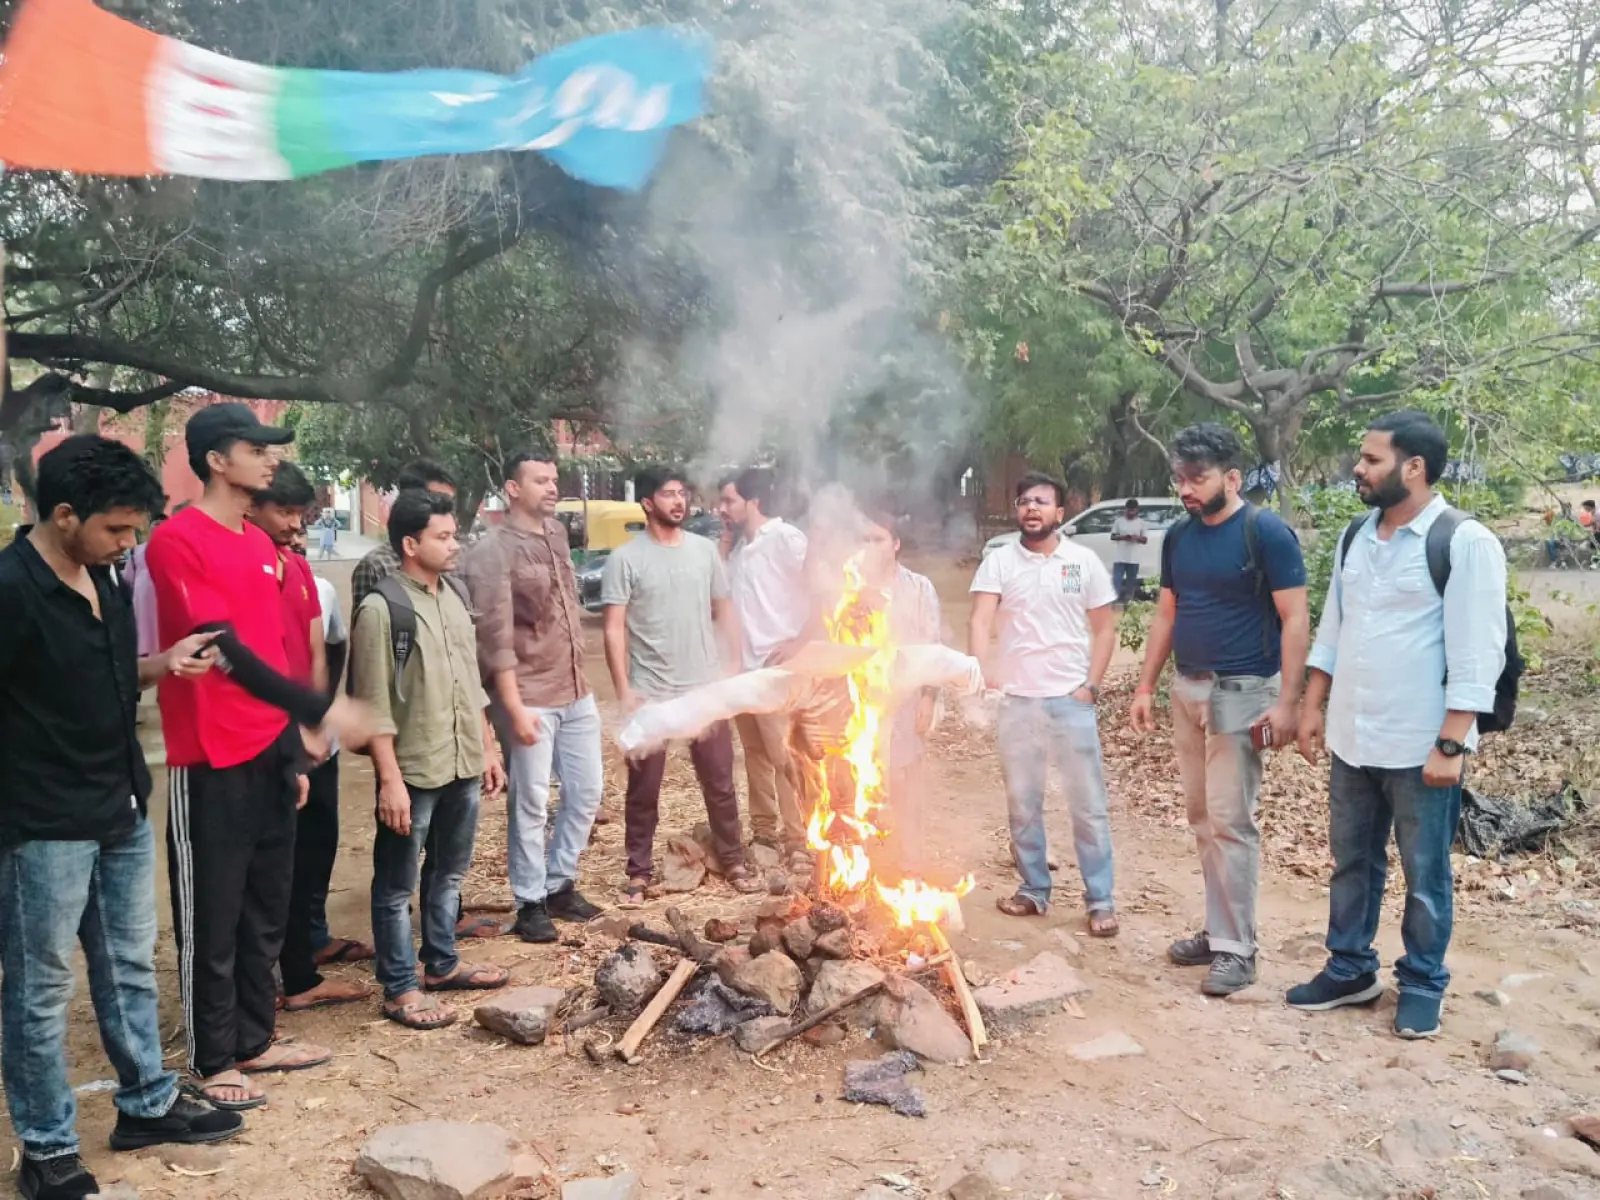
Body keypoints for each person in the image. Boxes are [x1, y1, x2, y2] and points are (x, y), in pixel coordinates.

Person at [0, 436, 242, 1200]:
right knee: (41, 989)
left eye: (135, 529)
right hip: (41, 823)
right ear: (64, 514)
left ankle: (146, 1103)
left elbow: (105, 675)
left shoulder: (105, 577)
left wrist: (162, 662)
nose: (129, 544)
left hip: (120, 804)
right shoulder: (9, 590)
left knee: (130, 965)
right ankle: (45, 1149)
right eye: (117, 529)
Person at [146, 403, 370, 1111]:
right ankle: (213, 1057)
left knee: (265, 904)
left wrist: (292, 753)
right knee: (212, 911)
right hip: (208, 755)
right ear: (216, 459)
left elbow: (276, 651)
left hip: (267, 751)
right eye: (257, 447)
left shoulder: (261, 547)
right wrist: (321, 709)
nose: (272, 459)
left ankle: (256, 1037)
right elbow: (222, 650)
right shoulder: (177, 541)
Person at [1291, 411, 1507, 1039]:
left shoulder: (1464, 542)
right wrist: (1312, 706)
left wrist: (1450, 740)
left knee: (1425, 872)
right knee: (1351, 861)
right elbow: (1335, 626)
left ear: (1414, 468)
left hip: (1422, 744)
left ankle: (1421, 983)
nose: (1358, 468)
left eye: (1372, 459)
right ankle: (1351, 968)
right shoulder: (1357, 534)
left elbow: (1478, 651)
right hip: (1354, 737)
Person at [1128, 423, 1309, 996]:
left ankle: (1238, 950)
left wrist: (1288, 703)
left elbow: (1295, 619)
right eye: (1179, 478)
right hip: (1188, 689)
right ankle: (1218, 930)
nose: (1186, 488)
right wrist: (1144, 686)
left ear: (1232, 477)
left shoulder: (1266, 533)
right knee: (1203, 818)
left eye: (1197, 477)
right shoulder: (1178, 537)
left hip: (1244, 693)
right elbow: (1166, 615)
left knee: (1233, 822)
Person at [352, 490, 510, 1029]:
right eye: (443, 537)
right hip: (415, 768)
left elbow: (474, 683)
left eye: (454, 535)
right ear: (410, 544)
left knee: (449, 873)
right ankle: (399, 987)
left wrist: (488, 748)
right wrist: (388, 781)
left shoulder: (454, 597)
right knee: (396, 886)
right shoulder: (382, 610)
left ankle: (441, 964)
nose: (454, 545)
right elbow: (372, 705)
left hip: (463, 760)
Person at [461, 449, 605, 944]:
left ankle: (561, 881)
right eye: (540, 480)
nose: (551, 486)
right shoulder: (491, 551)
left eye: (554, 478)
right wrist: (514, 707)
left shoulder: (558, 534)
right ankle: (529, 900)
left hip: (574, 687)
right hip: (528, 692)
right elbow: (495, 638)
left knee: (586, 791)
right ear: (512, 488)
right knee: (532, 801)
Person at [602, 466, 761, 906]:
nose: (679, 501)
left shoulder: (704, 552)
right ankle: (638, 872)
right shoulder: (625, 559)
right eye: (669, 494)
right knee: (644, 790)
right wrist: (624, 689)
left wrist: (731, 663)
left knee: (721, 782)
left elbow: (724, 608)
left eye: (682, 493)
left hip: (703, 689)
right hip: (651, 691)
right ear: (648, 503)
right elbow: (614, 628)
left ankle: (733, 861)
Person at [247, 462, 374, 1013]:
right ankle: (263, 987)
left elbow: (321, 651)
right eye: (285, 514)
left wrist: (320, 720)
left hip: (311, 738)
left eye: (303, 517)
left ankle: (301, 971)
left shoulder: (303, 575)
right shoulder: (244, 575)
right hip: (265, 744)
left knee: (314, 853)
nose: (296, 528)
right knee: (271, 871)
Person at [969, 472, 1120, 931]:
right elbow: (980, 620)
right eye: (1023, 501)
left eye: (1041, 501)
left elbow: (1105, 628)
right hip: (1017, 703)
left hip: (1070, 702)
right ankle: (1034, 889)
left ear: (1060, 512)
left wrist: (1090, 686)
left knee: (1087, 804)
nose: (1030, 508)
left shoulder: (1083, 561)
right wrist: (984, 671)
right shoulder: (999, 562)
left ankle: (1100, 901)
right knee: (1023, 803)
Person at [717, 468, 811, 866]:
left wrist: (800, 641)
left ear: (753, 502)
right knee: (754, 753)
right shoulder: (738, 549)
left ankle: (799, 836)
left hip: (779, 670)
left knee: (785, 755)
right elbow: (717, 598)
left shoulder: (786, 539)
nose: (721, 509)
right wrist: (723, 543)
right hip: (742, 672)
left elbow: (821, 588)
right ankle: (764, 833)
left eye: (728, 501)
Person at [859, 507, 942, 878]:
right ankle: (864, 867)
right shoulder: (851, 589)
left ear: (895, 543)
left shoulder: (920, 588)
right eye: (865, 540)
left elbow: (932, 648)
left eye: (878, 539)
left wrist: (928, 698)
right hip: (861, 705)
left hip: (907, 701)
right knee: (863, 783)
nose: (872, 547)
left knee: (907, 782)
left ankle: (910, 864)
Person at [351, 460, 458, 609]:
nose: (444, 508)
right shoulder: (376, 566)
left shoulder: (454, 559)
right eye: (436, 499)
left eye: (449, 502)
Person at [1110, 498, 1147, 605]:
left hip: (1134, 558)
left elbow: (1145, 540)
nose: (1130, 513)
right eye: (1128, 510)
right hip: (1120, 557)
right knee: (1117, 580)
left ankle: (1128, 602)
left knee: (1131, 582)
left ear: (1137, 510)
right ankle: (1114, 601)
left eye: (1133, 510)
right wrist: (1123, 537)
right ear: (1125, 510)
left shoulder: (1141, 523)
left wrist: (1136, 538)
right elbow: (1113, 536)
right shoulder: (1119, 521)